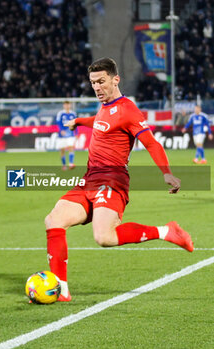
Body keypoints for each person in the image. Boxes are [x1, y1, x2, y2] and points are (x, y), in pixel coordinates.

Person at [45, 58, 194, 302]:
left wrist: (166, 172)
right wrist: (79, 122)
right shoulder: (105, 106)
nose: (97, 87)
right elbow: (101, 123)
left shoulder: (128, 110)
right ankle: (60, 290)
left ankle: (166, 231)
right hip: (90, 178)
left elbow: (151, 142)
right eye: (93, 83)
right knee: (53, 220)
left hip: (112, 179)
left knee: (104, 237)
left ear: (116, 79)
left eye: (101, 81)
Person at [56, 101, 77, 170]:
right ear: (64, 105)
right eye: (65, 105)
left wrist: (76, 133)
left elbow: (76, 123)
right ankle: (64, 165)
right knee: (62, 150)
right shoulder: (60, 113)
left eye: (68, 104)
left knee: (71, 147)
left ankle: (71, 164)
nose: (67, 106)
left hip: (70, 134)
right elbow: (58, 123)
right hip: (62, 135)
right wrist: (61, 130)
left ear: (70, 105)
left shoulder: (73, 114)